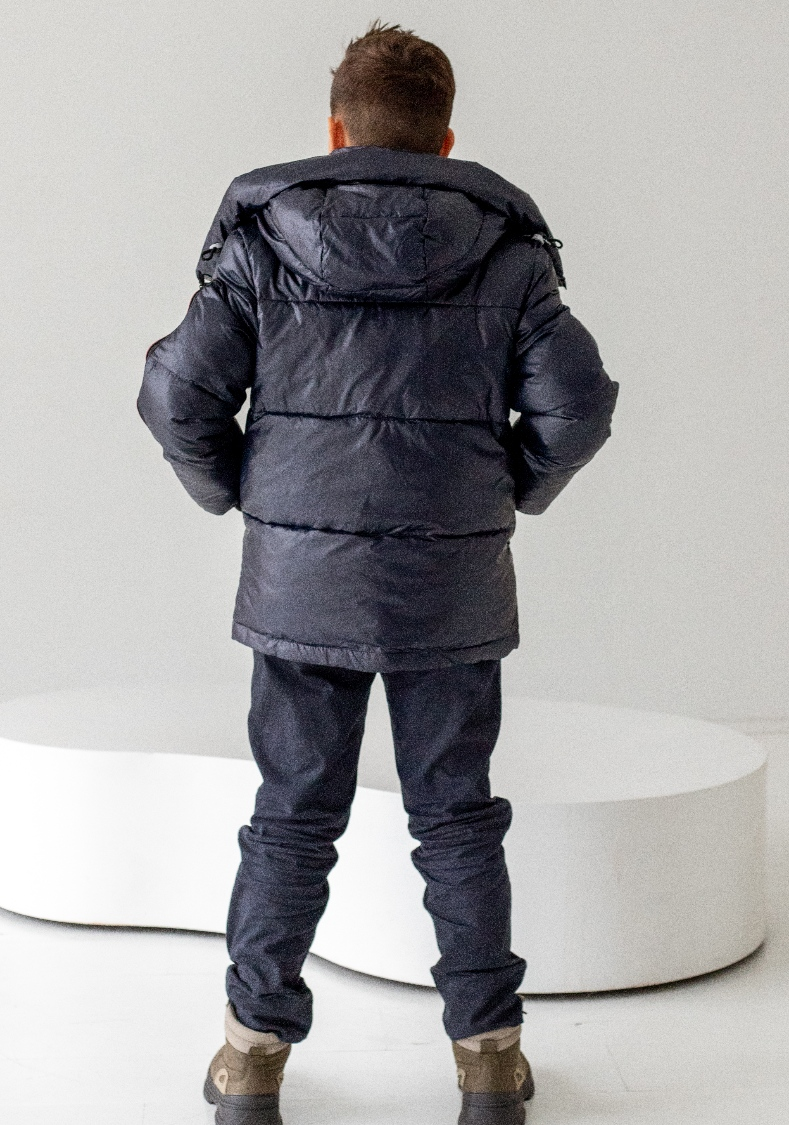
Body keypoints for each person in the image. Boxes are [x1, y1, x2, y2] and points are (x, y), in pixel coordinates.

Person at [137, 20, 618, 1125]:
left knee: (291, 818)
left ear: (336, 131)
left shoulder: (262, 245)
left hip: (301, 588)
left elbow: (174, 395)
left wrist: (240, 494)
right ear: (444, 141)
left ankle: (250, 1060)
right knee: (456, 820)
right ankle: (489, 1063)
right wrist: (512, 489)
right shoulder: (506, 254)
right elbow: (580, 404)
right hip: (450, 588)